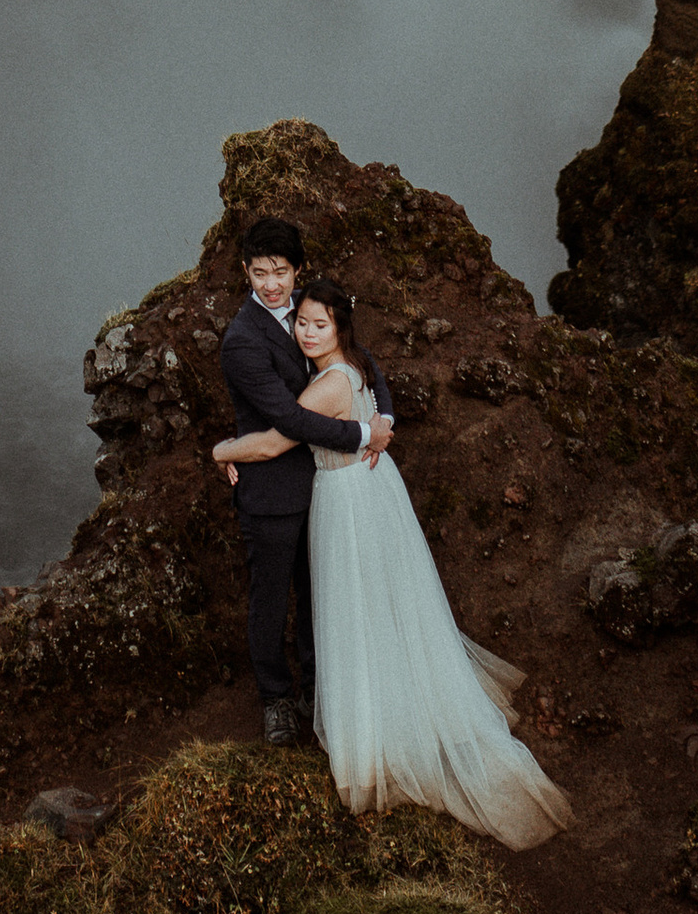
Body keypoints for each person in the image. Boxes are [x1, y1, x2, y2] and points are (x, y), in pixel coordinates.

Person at [215, 274, 571, 847]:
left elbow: (275, 442)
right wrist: (375, 431)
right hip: (368, 491)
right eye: (302, 322)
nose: (306, 332)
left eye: (318, 324)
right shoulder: (353, 364)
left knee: (353, 607)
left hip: (347, 502)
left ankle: (372, 730)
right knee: (378, 603)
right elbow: (376, 399)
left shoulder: (330, 384)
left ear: (339, 328)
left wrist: (220, 450)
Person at [217, 215, 393, 747]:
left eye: (281, 271)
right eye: (260, 272)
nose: (271, 284)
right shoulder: (242, 342)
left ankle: (318, 692)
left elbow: (366, 363)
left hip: (327, 490)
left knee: (322, 597)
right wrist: (363, 431)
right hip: (271, 490)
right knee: (270, 602)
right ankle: (275, 699)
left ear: (297, 270)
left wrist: (386, 417)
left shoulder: (313, 310)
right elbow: (288, 423)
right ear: (245, 272)